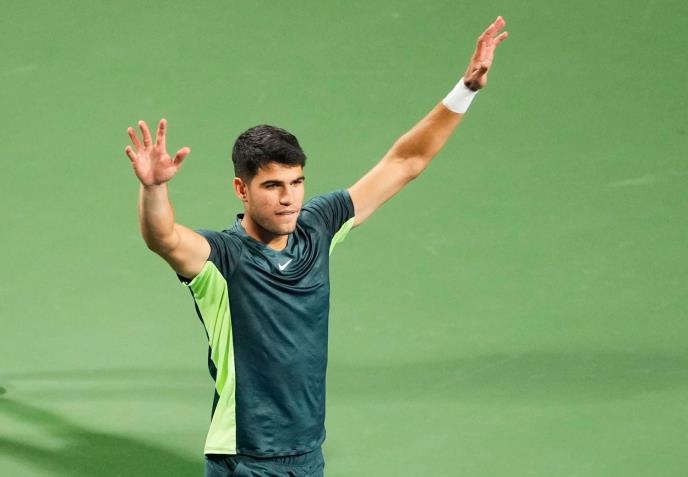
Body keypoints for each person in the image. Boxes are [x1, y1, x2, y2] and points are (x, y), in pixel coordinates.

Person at [124, 16, 508, 477]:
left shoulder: (318, 227)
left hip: (307, 454)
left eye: (296, 182)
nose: (288, 198)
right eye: (272, 186)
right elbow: (163, 237)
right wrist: (154, 188)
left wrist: (465, 90)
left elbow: (405, 161)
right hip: (245, 457)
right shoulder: (222, 260)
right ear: (242, 190)